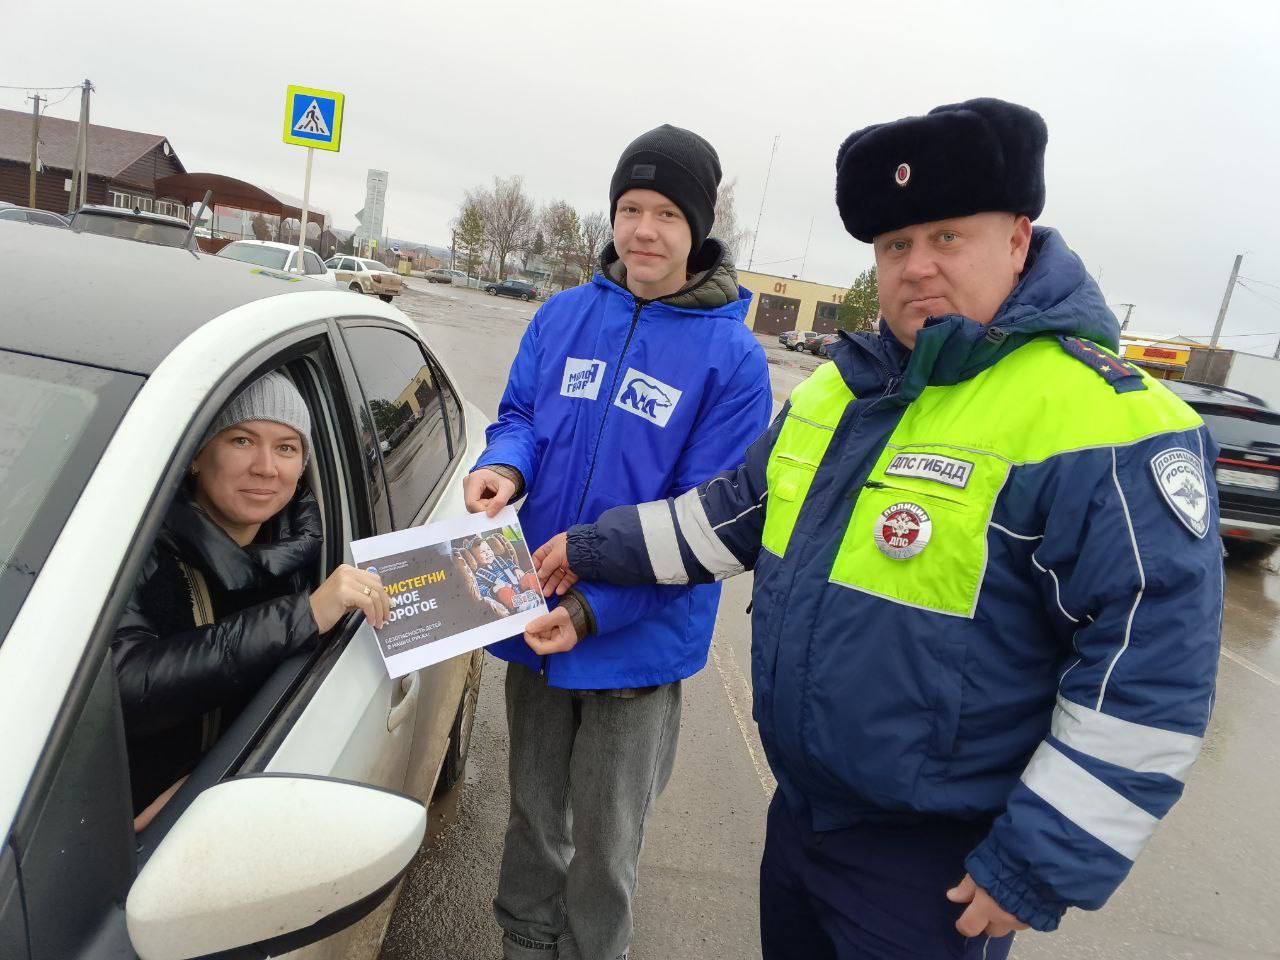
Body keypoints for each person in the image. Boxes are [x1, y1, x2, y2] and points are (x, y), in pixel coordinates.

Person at [528, 98, 1223, 959]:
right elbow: (729, 517)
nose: (916, 268)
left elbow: (1151, 669)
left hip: (934, 865)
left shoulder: (1103, 418)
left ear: (1017, 237)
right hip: (803, 824)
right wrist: (591, 550)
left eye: (946, 238)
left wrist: (1038, 863)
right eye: (896, 246)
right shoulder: (839, 393)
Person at [464, 124, 773, 960]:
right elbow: (522, 418)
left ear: (698, 229)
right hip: (534, 617)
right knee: (530, 821)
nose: (642, 230)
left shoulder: (734, 362)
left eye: (666, 213)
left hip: (633, 647)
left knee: (605, 849)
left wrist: (597, 609)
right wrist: (505, 469)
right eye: (629, 208)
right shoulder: (562, 317)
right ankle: (523, 948)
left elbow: (711, 522)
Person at [112, 372, 391, 827]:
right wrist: (303, 616)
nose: (266, 467)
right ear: (197, 457)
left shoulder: (312, 552)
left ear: (302, 466)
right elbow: (125, 686)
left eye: (286, 447)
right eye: (242, 440)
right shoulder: (136, 549)